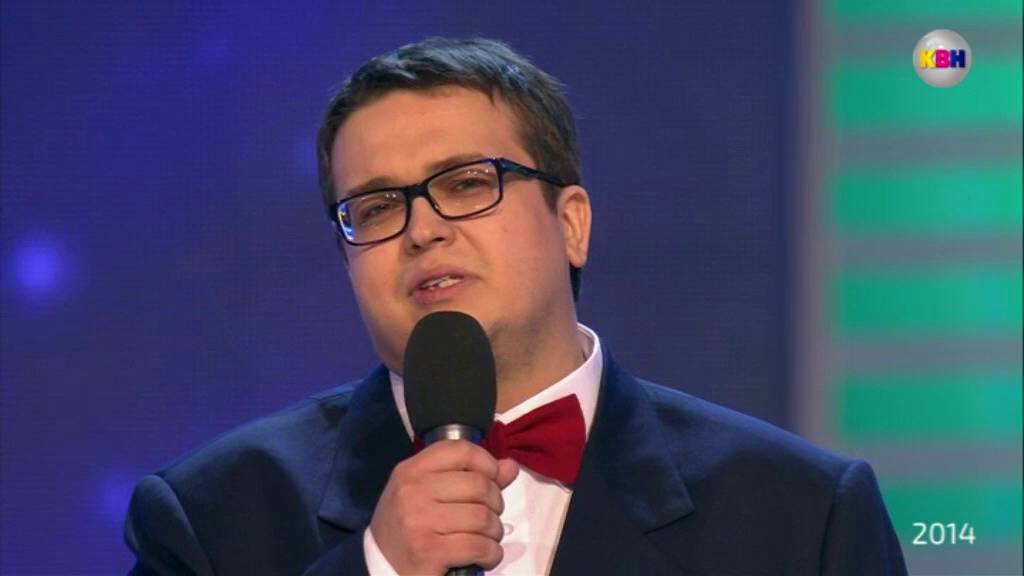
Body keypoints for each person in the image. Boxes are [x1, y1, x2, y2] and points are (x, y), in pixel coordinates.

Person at [124, 37, 907, 575]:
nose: (423, 229)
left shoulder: (800, 515)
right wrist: (379, 567)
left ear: (572, 224)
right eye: (376, 207)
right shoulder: (213, 515)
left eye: (468, 183)